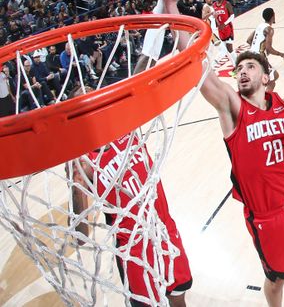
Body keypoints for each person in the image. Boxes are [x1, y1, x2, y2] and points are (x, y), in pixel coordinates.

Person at [157, 0, 284, 307]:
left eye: (249, 67)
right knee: (277, 279)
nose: (242, 71)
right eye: (238, 69)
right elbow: (199, 74)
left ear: (264, 75)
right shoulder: (233, 108)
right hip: (266, 216)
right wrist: (171, 7)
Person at [70, 86, 193, 307]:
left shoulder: (126, 127)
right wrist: (76, 187)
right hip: (133, 252)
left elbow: (139, 75)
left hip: (164, 232)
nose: (93, 104)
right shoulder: (84, 163)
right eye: (84, 103)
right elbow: (80, 236)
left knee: (179, 297)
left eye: (94, 97)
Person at [246, 8, 284, 92]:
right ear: (273, 16)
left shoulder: (260, 26)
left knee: (268, 80)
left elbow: (249, 40)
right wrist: (281, 54)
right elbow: (269, 48)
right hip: (259, 57)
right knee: (274, 77)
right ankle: (264, 102)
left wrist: (256, 49)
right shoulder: (269, 29)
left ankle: (259, 95)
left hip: (250, 55)